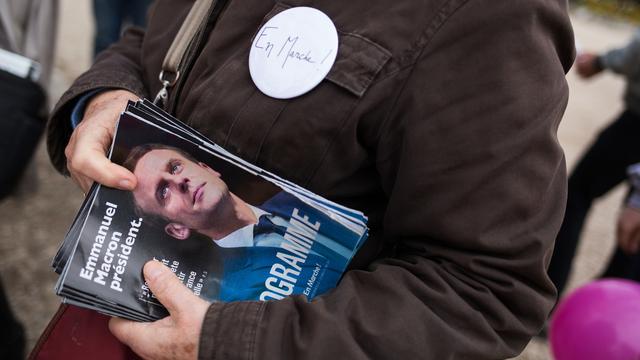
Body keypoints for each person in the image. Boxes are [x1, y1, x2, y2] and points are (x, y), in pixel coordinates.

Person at [47, 0, 574, 358]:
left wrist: (235, 343)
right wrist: (104, 99)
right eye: (166, 187)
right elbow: (152, 41)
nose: (181, 185)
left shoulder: (494, 17)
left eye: (176, 176)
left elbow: (486, 289)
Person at [547, 30, 640, 297]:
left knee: (576, 195)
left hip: (635, 125)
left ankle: (551, 294)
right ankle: (614, 309)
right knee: (632, 231)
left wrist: (601, 62)